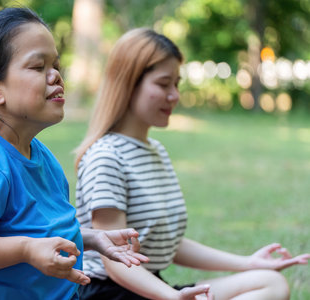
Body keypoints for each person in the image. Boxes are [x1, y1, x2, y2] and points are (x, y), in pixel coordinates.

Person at [0, 8, 148, 300]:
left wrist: (90, 239)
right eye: (38, 67)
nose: (56, 75)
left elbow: (39, 229)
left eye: (56, 64)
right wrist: (27, 250)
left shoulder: (42, 157)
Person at [74, 28, 310, 300]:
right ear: (129, 83)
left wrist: (247, 262)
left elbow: (168, 245)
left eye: (176, 84)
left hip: (150, 288)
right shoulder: (106, 157)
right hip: (111, 293)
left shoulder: (155, 151)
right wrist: (172, 297)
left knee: (270, 282)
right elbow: (115, 263)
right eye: (163, 84)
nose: (174, 95)